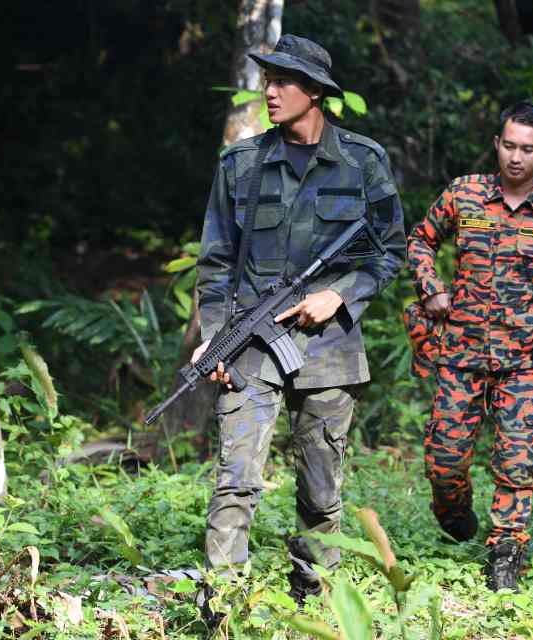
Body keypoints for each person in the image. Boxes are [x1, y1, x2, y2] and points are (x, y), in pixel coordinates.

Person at [192, 34, 406, 607]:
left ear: (315, 92)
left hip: (329, 350)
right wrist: (214, 336)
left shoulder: (363, 161)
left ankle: (315, 599)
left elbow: (389, 251)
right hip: (251, 348)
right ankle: (223, 606)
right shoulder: (240, 164)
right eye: (267, 79)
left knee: (320, 493)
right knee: (236, 480)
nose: (271, 90)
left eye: (283, 81)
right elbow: (213, 262)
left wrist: (339, 295)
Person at [407, 102, 533, 591]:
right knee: (444, 460)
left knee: (518, 460)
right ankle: (452, 510)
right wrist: (432, 288)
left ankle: (506, 551)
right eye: (508, 145)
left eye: (527, 149)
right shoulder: (464, 194)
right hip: (461, 353)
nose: (515, 157)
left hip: (526, 360)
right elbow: (421, 241)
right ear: (497, 144)